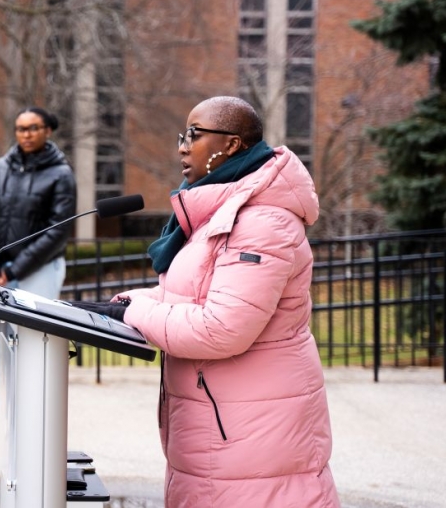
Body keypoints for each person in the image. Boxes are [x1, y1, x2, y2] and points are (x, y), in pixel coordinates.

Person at [79, 96, 340, 506]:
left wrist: (136, 312)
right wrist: (121, 304)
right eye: (182, 137)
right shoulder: (222, 210)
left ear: (232, 144)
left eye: (194, 135)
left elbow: (223, 328)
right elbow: (190, 296)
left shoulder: (262, 222)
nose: (183, 148)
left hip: (252, 435)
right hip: (221, 424)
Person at [0, 107, 77, 454]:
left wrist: (15, 270)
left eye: (33, 128)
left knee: (35, 346)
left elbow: (58, 231)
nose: (26, 134)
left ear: (47, 131)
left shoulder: (61, 174)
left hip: (39, 271)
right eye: (20, 128)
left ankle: (30, 428)